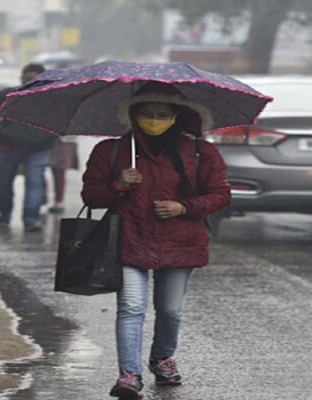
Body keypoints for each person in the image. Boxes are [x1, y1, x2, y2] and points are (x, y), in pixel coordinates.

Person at [80, 82, 231, 399]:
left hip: (181, 241)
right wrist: (118, 184)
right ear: (133, 115)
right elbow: (91, 196)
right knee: (131, 307)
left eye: (162, 114)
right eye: (147, 113)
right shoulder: (111, 151)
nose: (154, 119)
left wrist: (184, 207)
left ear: (177, 115)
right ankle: (129, 375)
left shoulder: (200, 151)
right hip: (128, 239)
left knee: (171, 309)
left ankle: (162, 360)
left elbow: (220, 195)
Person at [0, 63, 57, 231]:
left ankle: (30, 219)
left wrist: (45, 137)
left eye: (34, 79)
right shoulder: (7, 95)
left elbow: (58, 122)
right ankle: (4, 215)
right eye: (27, 78)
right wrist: (1, 131)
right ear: (21, 78)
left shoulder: (50, 99)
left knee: (34, 183)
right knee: (4, 183)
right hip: (8, 146)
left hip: (38, 148)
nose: (30, 82)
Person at [47, 135, 79, 214]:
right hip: (49, 139)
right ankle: (54, 200)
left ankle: (59, 201)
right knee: (38, 169)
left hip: (64, 141)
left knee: (59, 171)